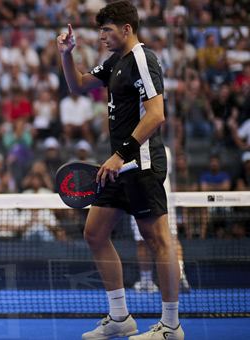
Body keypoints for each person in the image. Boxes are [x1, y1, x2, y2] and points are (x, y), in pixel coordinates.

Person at [57, 2, 184, 339]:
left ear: (127, 29)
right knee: (94, 234)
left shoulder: (144, 59)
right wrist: (66, 54)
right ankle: (119, 317)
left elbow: (156, 115)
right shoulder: (116, 61)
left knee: (157, 240)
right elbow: (79, 85)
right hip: (119, 164)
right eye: (101, 30)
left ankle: (171, 326)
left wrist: (121, 154)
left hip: (140, 163)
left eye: (108, 30)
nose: (101, 36)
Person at [130, 147, 190, 294]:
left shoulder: (129, 150)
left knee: (142, 242)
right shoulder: (165, 150)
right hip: (164, 200)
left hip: (140, 198)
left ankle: (146, 282)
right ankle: (180, 274)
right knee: (171, 238)